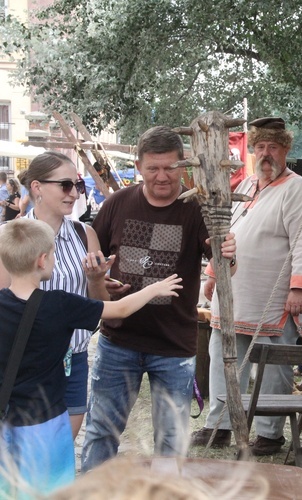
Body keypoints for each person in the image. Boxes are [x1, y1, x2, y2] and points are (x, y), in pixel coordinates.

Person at [81, 126, 237, 472]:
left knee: (170, 440)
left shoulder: (199, 208)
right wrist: (100, 277)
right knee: (101, 432)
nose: (162, 176)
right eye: (153, 168)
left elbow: (224, 263)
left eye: (170, 167)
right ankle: (90, 493)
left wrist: (227, 253)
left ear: (184, 165)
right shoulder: (118, 203)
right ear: (139, 166)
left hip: (173, 346)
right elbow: (96, 256)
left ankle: (167, 494)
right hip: (118, 340)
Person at [0, 218, 182, 497]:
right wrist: (154, 289)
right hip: (46, 423)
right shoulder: (59, 304)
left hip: (6, 420)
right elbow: (119, 309)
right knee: (50, 491)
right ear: (42, 260)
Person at [191, 117, 302, 455]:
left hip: (273, 298)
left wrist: (300, 288)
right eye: (260, 147)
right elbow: (226, 236)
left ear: (285, 150)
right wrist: (211, 274)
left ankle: (269, 432)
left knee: (272, 363)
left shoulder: (298, 189)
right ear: (252, 151)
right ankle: (219, 425)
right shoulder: (246, 185)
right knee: (222, 357)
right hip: (233, 294)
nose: (266, 154)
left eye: (273, 147)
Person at [5, 153, 110, 441]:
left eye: (77, 185)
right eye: (66, 185)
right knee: (22, 457)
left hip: (73, 361)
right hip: (24, 365)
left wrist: (96, 279)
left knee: (60, 450)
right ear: (37, 187)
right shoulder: (10, 237)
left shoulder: (84, 233)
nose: (75, 193)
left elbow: (101, 305)